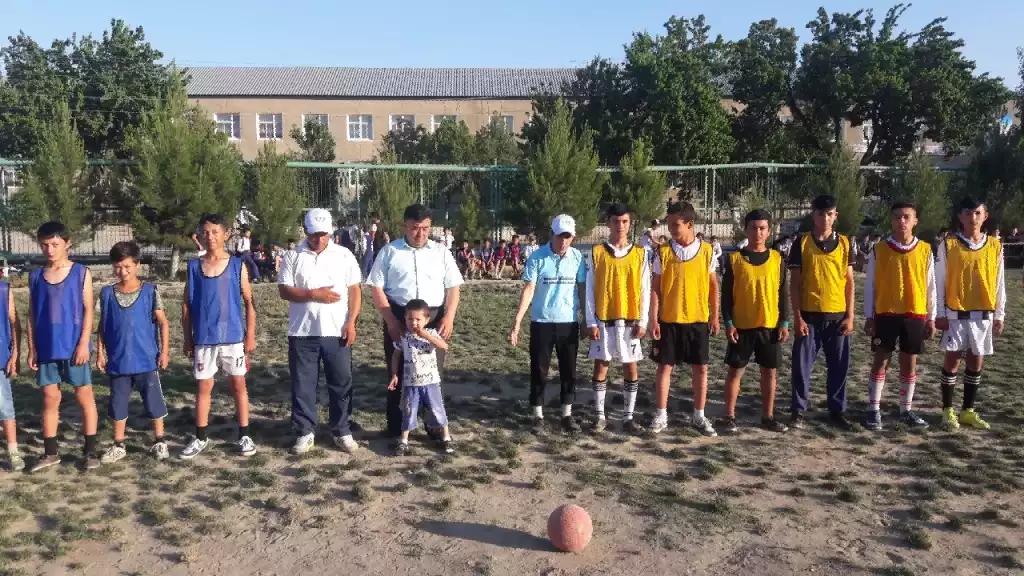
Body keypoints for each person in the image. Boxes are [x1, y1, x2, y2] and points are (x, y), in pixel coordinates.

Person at [367, 204, 464, 439]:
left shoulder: (441, 252)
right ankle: (397, 426)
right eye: (414, 228)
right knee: (398, 371)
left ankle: (435, 425)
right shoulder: (389, 252)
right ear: (405, 226)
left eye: (425, 228)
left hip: (434, 318)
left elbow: (453, 286)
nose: (420, 233)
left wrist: (449, 316)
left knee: (433, 374)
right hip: (400, 315)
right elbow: (376, 287)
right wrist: (391, 321)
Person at [278, 209, 363, 455]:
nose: (319, 239)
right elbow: (284, 290)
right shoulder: (292, 256)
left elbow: (355, 291)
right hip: (302, 332)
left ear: (331, 231)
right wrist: (313, 294)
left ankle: (342, 430)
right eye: (314, 234)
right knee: (303, 384)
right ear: (306, 231)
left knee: (341, 382)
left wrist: (351, 322)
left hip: (337, 330)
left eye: (324, 234)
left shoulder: (344, 255)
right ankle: (305, 431)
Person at [180, 213, 258, 460]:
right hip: (204, 338)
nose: (210, 236)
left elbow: (249, 302)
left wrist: (250, 335)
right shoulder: (194, 267)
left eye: (215, 232)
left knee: (238, 385)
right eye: (205, 232)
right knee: (204, 386)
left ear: (226, 234)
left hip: (233, 337)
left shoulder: (237, 265)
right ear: (200, 235)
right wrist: (187, 337)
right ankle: (200, 437)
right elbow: (186, 305)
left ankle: (244, 434)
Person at [26, 221, 99, 472]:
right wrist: (32, 348)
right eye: (44, 245)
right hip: (47, 347)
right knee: (50, 398)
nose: (49, 249)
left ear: (67, 243)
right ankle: (50, 453)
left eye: (55, 244)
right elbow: (31, 315)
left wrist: (84, 343)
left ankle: (90, 451)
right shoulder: (36, 276)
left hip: (73, 346)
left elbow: (88, 310)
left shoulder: (81, 273)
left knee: (83, 396)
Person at [509, 215, 587, 435]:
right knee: (539, 369)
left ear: (573, 237)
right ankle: (537, 415)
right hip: (542, 322)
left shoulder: (577, 258)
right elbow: (529, 289)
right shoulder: (537, 257)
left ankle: (566, 414)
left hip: (568, 322)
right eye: (560, 236)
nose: (563, 241)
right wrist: (517, 322)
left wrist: (586, 318)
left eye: (567, 237)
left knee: (569, 370)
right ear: (552, 234)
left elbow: (582, 289)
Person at [861, 202, 936, 431]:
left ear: (915, 221)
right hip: (886, 312)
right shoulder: (879, 250)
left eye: (906, 217)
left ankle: (906, 410)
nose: (901, 221)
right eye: (896, 217)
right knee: (881, 360)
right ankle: (873, 409)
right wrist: (869, 316)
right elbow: (870, 285)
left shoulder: (925, 249)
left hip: (915, 313)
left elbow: (931, 286)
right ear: (891, 221)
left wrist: (931, 317)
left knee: (909, 362)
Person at [96, 241, 171, 463]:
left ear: (137, 265)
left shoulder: (150, 292)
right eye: (118, 267)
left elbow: (163, 323)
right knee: (117, 403)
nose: (123, 271)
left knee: (153, 401)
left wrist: (164, 352)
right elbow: (102, 326)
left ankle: (160, 440)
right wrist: (100, 352)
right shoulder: (107, 293)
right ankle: (118, 444)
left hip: (146, 359)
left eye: (127, 266)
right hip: (118, 361)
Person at [935, 197, 1006, 431]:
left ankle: (968, 410)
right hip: (956, 312)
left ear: (985, 216)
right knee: (953, 359)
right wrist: (940, 312)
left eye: (977, 213)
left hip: (983, 312)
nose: (973, 218)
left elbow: (999, 282)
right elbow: (939, 280)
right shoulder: (948, 244)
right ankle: (948, 410)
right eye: (968, 213)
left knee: (976, 360)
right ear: (960, 216)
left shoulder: (995, 245)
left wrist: (1000, 314)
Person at [649, 202, 720, 436]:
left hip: (698, 320)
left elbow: (713, 286)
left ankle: (699, 415)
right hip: (669, 319)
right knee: (664, 367)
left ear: (690, 224)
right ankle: (661, 414)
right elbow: (655, 288)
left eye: (675, 224)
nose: (670, 229)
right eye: (669, 224)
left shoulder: (707, 251)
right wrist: (653, 319)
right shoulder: (663, 252)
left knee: (701, 368)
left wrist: (715, 316)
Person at [719, 210, 790, 434]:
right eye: (753, 228)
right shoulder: (734, 259)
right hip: (742, 326)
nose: (757, 232)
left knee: (769, 373)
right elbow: (726, 297)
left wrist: (785, 322)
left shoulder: (777, 259)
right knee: (735, 372)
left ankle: (767, 417)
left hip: (769, 325)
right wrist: (728, 323)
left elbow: (783, 293)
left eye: (762, 228)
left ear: (769, 231)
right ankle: (729, 416)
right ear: (746, 229)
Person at [788, 195, 855, 430]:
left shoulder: (845, 243)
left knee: (839, 367)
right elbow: (795, 284)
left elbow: (849, 283)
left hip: (837, 317)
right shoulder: (802, 242)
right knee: (801, 367)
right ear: (813, 215)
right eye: (820, 214)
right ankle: (798, 410)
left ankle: (837, 410)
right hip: (809, 316)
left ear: (836, 216)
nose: (825, 218)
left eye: (829, 214)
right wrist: (797, 317)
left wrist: (850, 316)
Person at [585, 203, 651, 434]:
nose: (620, 226)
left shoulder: (641, 254)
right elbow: (590, 289)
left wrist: (643, 321)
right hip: (603, 319)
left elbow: (645, 289)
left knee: (630, 366)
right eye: (616, 221)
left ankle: (628, 417)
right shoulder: (597, 252)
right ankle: (599, 416)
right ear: (608, 223)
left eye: (624, 221)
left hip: (629, 321)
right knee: (601, 365)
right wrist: (590, 321)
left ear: (630, 223)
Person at [389, 299, 455, 455]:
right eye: (410, 319)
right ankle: (404, 440)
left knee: (437, 409)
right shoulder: (404, 337)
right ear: (405, 319)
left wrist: (424, 334)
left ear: (426, 320)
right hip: (411, 383)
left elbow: (443, 346)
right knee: (409, 410)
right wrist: (394, 374)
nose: (414, 323)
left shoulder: (431, 334)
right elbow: (396, 355)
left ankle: (446, 437)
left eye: (418, 319)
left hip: (431, 382)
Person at [0, 269, 22, 471]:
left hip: (0, 359)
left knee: (5, 407)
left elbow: (15, 324)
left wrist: (15, 354)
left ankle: (13, 451)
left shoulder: (4, 291)